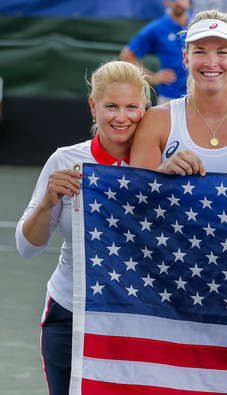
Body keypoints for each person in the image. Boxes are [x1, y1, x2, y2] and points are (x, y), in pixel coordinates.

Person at [15, 60, 150, 394]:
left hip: (139, 319)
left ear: (145, 108)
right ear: (93, 107)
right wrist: (47, 202)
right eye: (111, 106)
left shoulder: (162, 162)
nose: (122, 117)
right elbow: (27, 247)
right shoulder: (65, 160)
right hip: (70, 312)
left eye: (132, 106)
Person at [129, 9, 227, 176]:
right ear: (186, 59)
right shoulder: (156, 120)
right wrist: (161, 173)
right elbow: (135, 196)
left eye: (222, 52)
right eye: (200, 52)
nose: (211, 63)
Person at [120, 0, 191, 104]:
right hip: (169, 97)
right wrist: (152, 78)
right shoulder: (157, 28)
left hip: (198, 95)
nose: (178, 2)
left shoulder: (198, 23)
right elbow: (126, 55)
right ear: (166, 2)